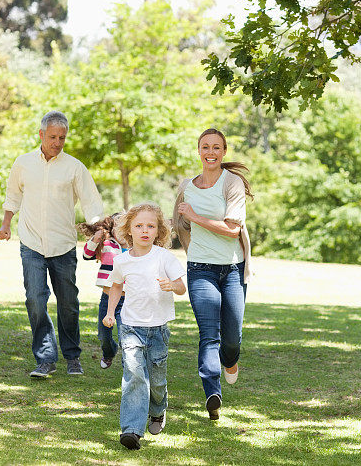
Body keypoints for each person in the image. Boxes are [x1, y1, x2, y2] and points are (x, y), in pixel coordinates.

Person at [0, 110, 104, 378]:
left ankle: (72, 356)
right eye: (53, 137)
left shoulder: (75, 167)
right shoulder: (23, 163)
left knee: (68, 302)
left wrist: (99, 229)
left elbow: (91, 201)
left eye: (62, 138)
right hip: (31, 243)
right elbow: (13, 196)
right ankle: (45, 358)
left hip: (63, 246)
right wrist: (6, 224)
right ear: (42, 134)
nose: (58, 142)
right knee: (35, 299)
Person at [172, 128, 252, 420]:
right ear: (198, 151)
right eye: (205, 147)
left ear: (223, 152)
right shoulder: (186, 186)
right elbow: (178, 225)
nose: (210, 152)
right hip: (200, 269)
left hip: (232, 269)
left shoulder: (233, 184)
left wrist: (196, 218)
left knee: (232, 339)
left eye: (216, 147)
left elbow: (233, 229)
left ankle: (230, 362)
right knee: (209, 335)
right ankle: (212, 393)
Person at [103, 203, 186, 450]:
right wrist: (109, 313)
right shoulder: (122, 261)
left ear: (159, 230)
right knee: (134, 376)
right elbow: (116, 286)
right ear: (129, 230)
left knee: (157, 381)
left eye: (151, 226)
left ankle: (158, 411)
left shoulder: (164, 258)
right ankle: (131, 430)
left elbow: (182, 287)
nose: (144, 230)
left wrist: (172, 286)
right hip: (130, 327)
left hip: (158, 328)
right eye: (138, 226)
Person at [78, 214, 126, 369]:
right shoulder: (107, 244)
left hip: (128, 300)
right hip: (107, 298)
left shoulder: (135, 246)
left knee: (125, 335)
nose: (120, 230)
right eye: (117, 227)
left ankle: (129, 366)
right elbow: (87, 254)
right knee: (103, 335)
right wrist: (96, 238)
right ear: (111, 229)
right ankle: (109, 352)